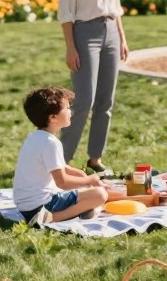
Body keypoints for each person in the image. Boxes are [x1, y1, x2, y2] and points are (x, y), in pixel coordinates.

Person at [57, 0, 128, 175]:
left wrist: (121, 38)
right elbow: (65, 13)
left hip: (110, 31)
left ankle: (95, 159)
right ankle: (62, 160)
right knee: (84, 99)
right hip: (84, 33)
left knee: (105, 101)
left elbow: (116, 6)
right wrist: (71, 47)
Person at [13, 86, 109, 226]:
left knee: (85, 189)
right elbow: (62, 182)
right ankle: (52, 217)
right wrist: (89, 180)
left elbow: (59, 166)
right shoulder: (51, 143)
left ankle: (78, 209)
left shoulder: (35, 137)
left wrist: (81, 175)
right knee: (100, 195)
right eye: (67, 108)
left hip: (25, 206)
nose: (71, 112)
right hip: (42, 205)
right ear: (52, 118)